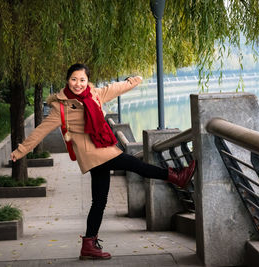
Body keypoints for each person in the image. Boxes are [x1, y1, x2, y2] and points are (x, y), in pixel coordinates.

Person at [11, 63, 196, 260]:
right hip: (93, 154)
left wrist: (135, 81)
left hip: (102, 148)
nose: (78, 84)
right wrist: (21, 151)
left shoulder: (94, 95)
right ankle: (176, 176)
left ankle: (89, 245)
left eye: (82, 80)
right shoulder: (60, 107)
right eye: (74, 79)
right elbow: (41, 130)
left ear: (87, 81)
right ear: (67, 80)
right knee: (136, 165)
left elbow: (116, 88)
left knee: (99, 201)